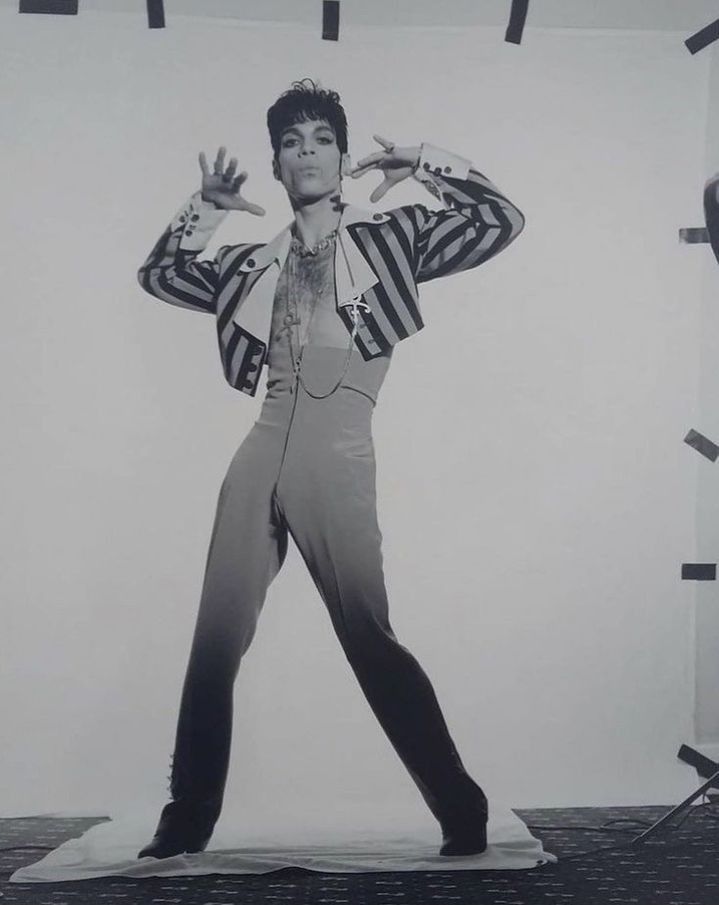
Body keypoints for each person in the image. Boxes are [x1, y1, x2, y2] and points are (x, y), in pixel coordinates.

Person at [136, 79, 524, 860]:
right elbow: (159, 273)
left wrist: (422, 162)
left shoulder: (394, 238)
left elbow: (499, 220)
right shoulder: (249, 262)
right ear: (276, 166)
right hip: (260, 447)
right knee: (213, 639)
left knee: (368, 637)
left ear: (343, 159)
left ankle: (459, 803)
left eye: (319, 139)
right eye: (290, 141)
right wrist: (202, 207)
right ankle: (187, 815)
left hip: (338, 447)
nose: (305, 152)